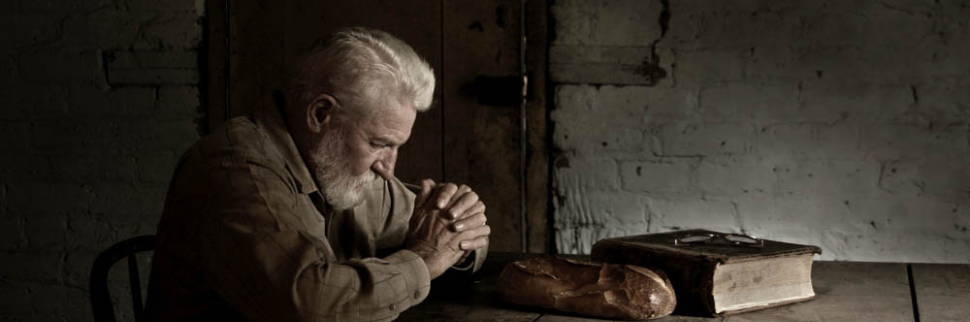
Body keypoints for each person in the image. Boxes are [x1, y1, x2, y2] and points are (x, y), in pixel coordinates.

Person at [146, 27, 491, 321]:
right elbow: (307, 303)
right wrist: (427, 260)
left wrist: (459, 225)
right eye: (379, 143)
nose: (389, 169)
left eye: (396, 146)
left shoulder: (348, 171)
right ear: (320, 114)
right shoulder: (235, 169)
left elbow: (443, 233)